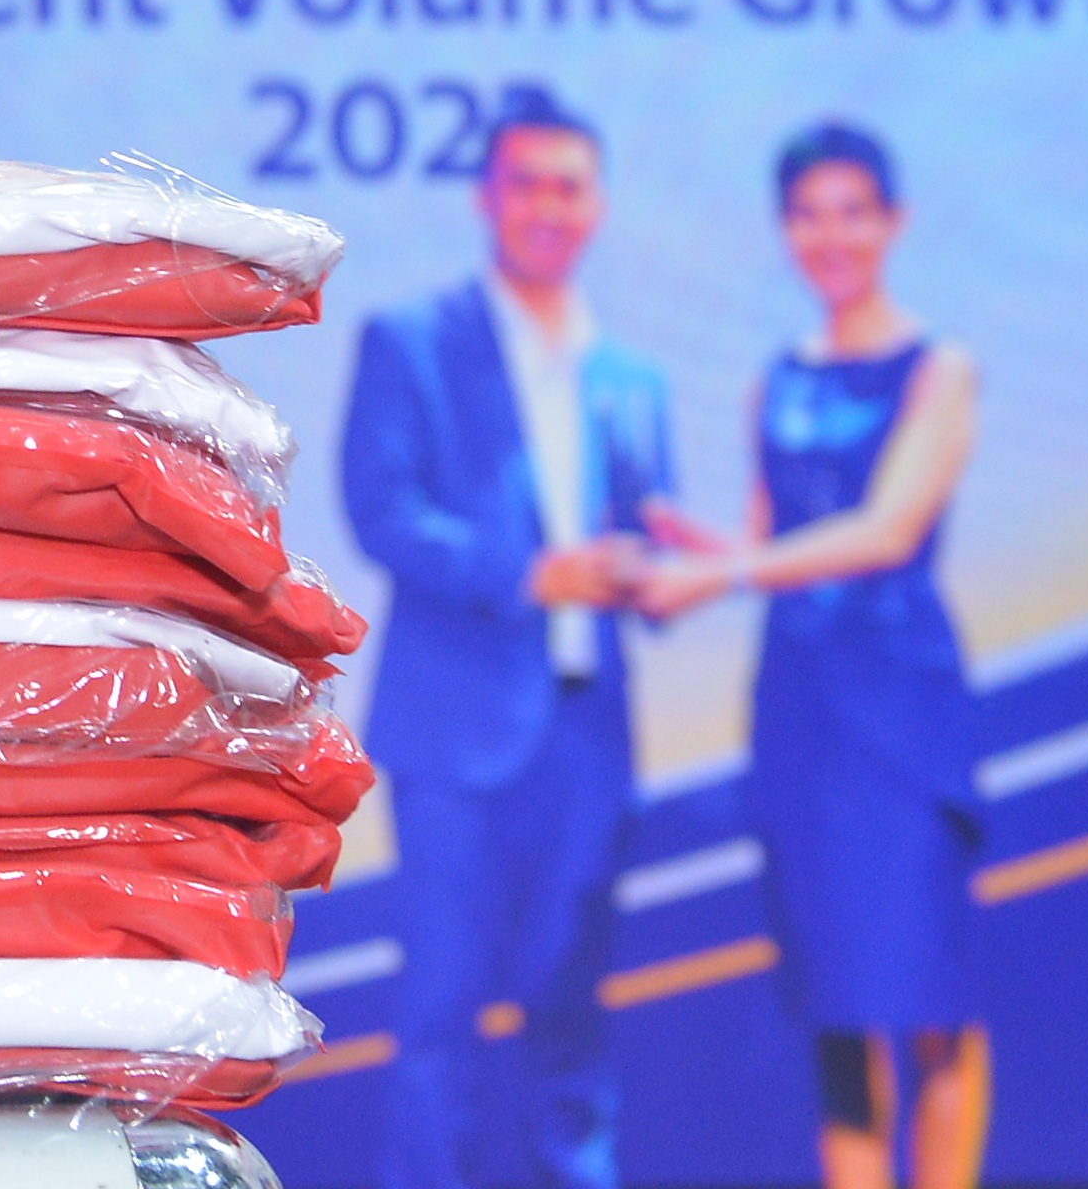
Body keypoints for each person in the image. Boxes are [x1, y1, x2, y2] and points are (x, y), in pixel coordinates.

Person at [634, 121, 989, 1189]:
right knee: (837, 1006)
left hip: (901, 715)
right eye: (807, 215)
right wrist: (696, 556)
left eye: (852, 212)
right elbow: (773, 546)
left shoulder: (940, 371)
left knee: (933, 1000)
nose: (830, 236)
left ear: (893, 222)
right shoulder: (774, 382)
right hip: (803, 716)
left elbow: (886, 530)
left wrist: (726, 574)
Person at [341, 87, 678, 1189]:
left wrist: (674, 575)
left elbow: (645, 537)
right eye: (525, 183)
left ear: (599, 205)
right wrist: (530, 574)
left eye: (568, 186)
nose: (547, 206)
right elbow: (381, 507)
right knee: (440, 1018)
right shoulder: (414, 340)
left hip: (589, 740)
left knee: (571, 1018)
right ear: (487, 197)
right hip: (459, 739)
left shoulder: (631, 377)